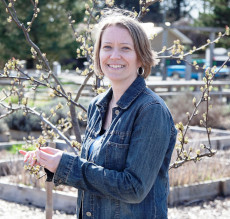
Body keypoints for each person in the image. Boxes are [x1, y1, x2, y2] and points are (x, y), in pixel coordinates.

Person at [20, 9, 177, 219]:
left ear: (141, 57)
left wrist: (66, 165)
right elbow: (93, 173)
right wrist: (53, 161)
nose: (114, 55)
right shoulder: (98, 105)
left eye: (125, 48)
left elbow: (134, 188)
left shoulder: (151, 110)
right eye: (107, 47)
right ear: (98, 54)